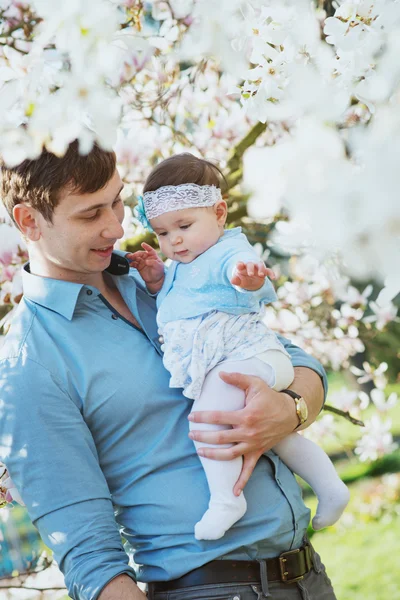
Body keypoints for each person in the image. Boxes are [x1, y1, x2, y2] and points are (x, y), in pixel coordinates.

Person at [0, 141, 337, 600]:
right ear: (28, 222)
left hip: (309, 579)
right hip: (207, 590)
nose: (117, 227)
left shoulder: (167, 277)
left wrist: (289, 408)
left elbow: (297, 361)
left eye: (117, 201)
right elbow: (89, 557)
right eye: (90, 214)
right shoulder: (29, 364)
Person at [128, 153, 349, 542]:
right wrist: (157, 280)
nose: (173, 239)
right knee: (276, 436)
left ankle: (226, 500)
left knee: (208, 419)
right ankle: (331, 488)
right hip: (243, 366)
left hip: (253, 358)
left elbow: (247, 273)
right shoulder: (182, 262)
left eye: (183, 225)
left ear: (219, 213)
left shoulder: (228, 252)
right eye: (162, 233)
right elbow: (182, 302)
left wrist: (246, 278)